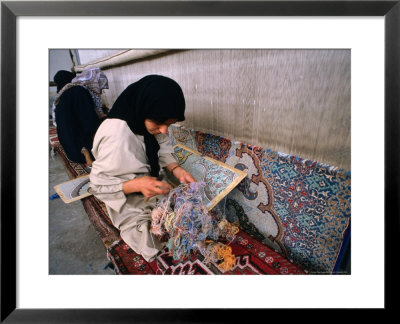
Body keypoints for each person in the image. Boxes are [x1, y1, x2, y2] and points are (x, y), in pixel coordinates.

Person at [89, 75, 195, 262]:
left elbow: (162, 148)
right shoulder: (117, 136)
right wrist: (136, 185)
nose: (164, 130)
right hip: (124, 194)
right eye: (160, 123)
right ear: (143, 109)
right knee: (150, 236)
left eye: (169, 125)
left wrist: (176, 169)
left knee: (182, 214)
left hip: (147, 183)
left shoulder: (146, 119)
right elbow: (98, 186)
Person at [53, 67, 109, 165]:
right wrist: (105, 119)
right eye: (100, 84)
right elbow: (90, 125)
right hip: (81, 151)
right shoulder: (78, 91)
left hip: (71, 151)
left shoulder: (63, 95)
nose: (101, 90)